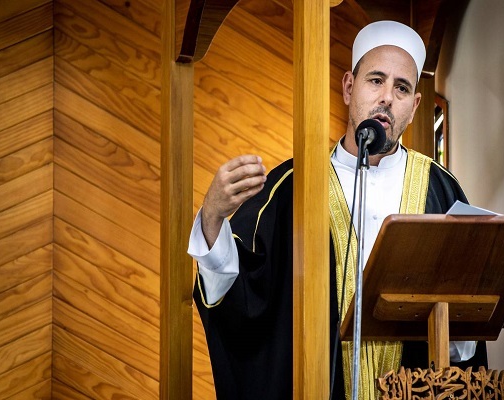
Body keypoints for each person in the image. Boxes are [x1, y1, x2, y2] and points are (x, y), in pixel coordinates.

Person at [188, 20, 487, 400]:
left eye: (401, 88)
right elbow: (240, 298)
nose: (386, 99)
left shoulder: (441, 190)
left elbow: (463, 343)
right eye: (375, 80)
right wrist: (212, 214)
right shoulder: (292, 185)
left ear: (413, 108)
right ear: (349, 87)